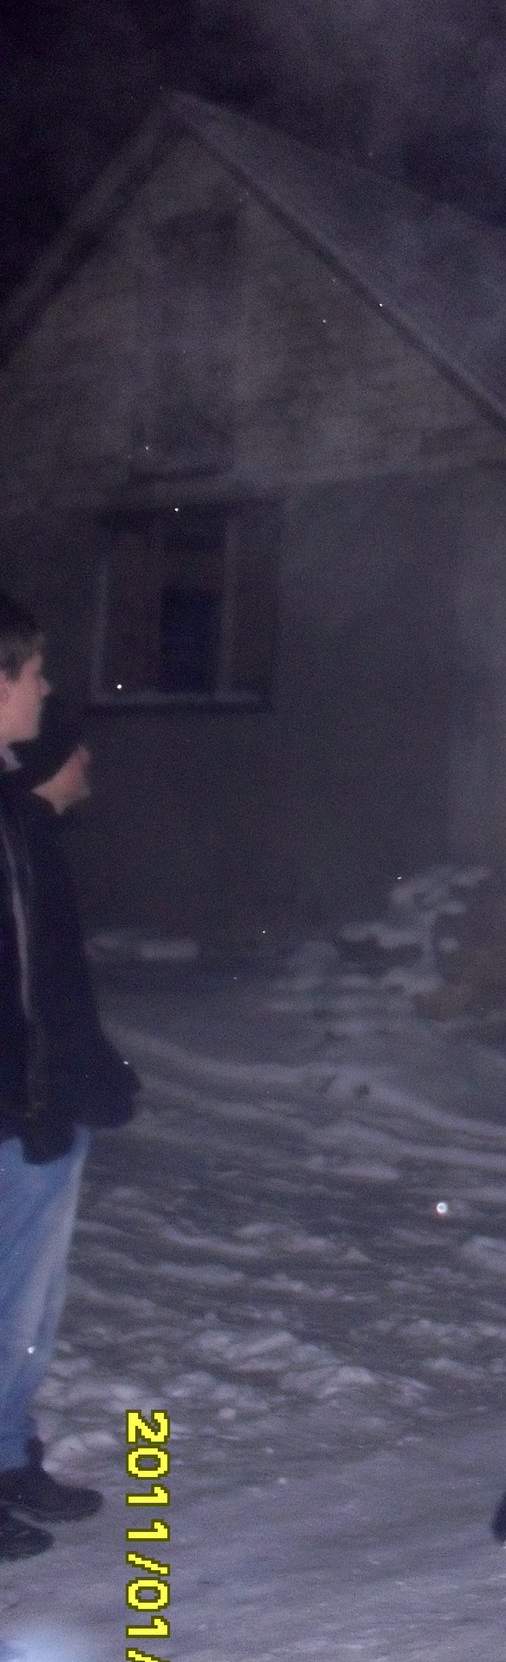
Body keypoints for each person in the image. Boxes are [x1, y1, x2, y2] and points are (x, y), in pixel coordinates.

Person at [0, 600, 138, 1561]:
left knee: (24, 1304)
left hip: (31, 1107)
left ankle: (8, 1455)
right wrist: (29, 1094)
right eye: (34, 672)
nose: (46, 689)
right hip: (14, 1109)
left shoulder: (13, 814)